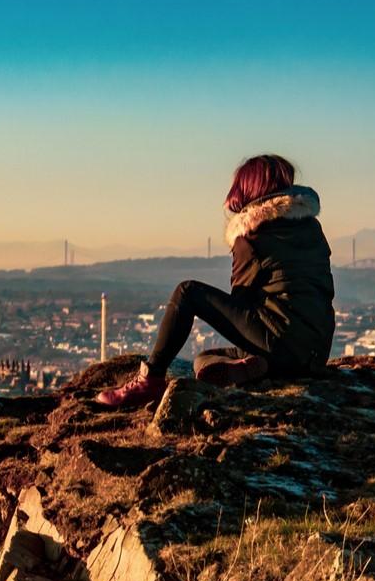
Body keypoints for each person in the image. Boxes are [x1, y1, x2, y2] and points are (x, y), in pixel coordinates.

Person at [96, 154, 335, 408]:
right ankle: (252, 368)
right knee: (205, 358)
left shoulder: (252, 236)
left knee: (187, 292)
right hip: (315, 353)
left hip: (278, 342)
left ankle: (151, 380)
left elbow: (240, 301)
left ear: (249, 189)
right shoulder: (311, 229)